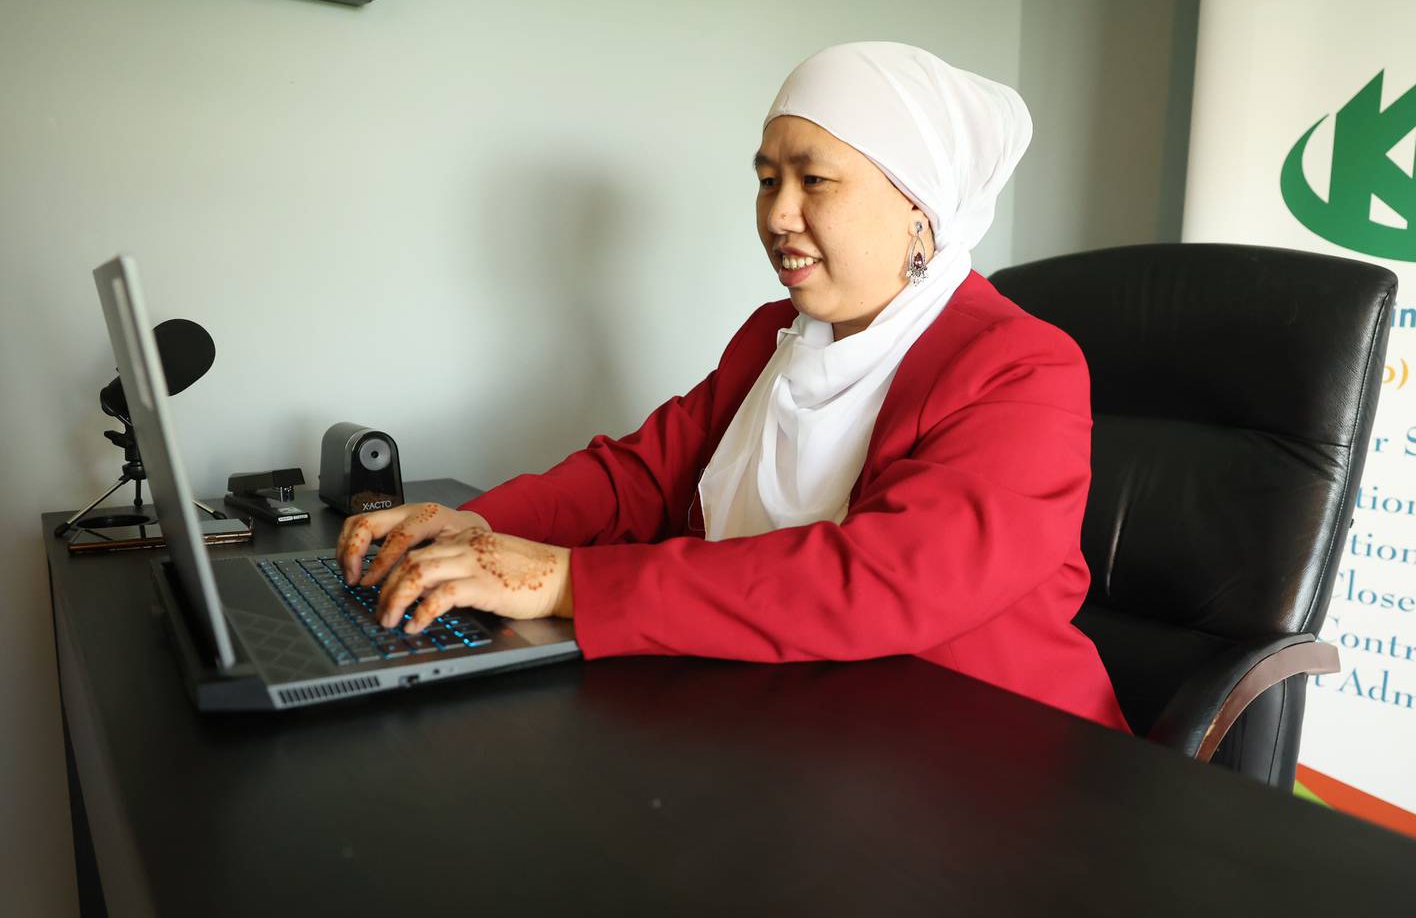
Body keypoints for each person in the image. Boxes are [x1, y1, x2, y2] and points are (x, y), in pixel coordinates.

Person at [335, 41, 1130, 732]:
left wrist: (569, 581)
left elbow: (877, 582)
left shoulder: (1022, 366)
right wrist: (477, 522)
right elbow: (641, 477)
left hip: (993, 758)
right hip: (800, 720)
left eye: (814, 181)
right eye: (765, 179)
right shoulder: (772, 336)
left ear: (918, 209)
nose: (778, 215)